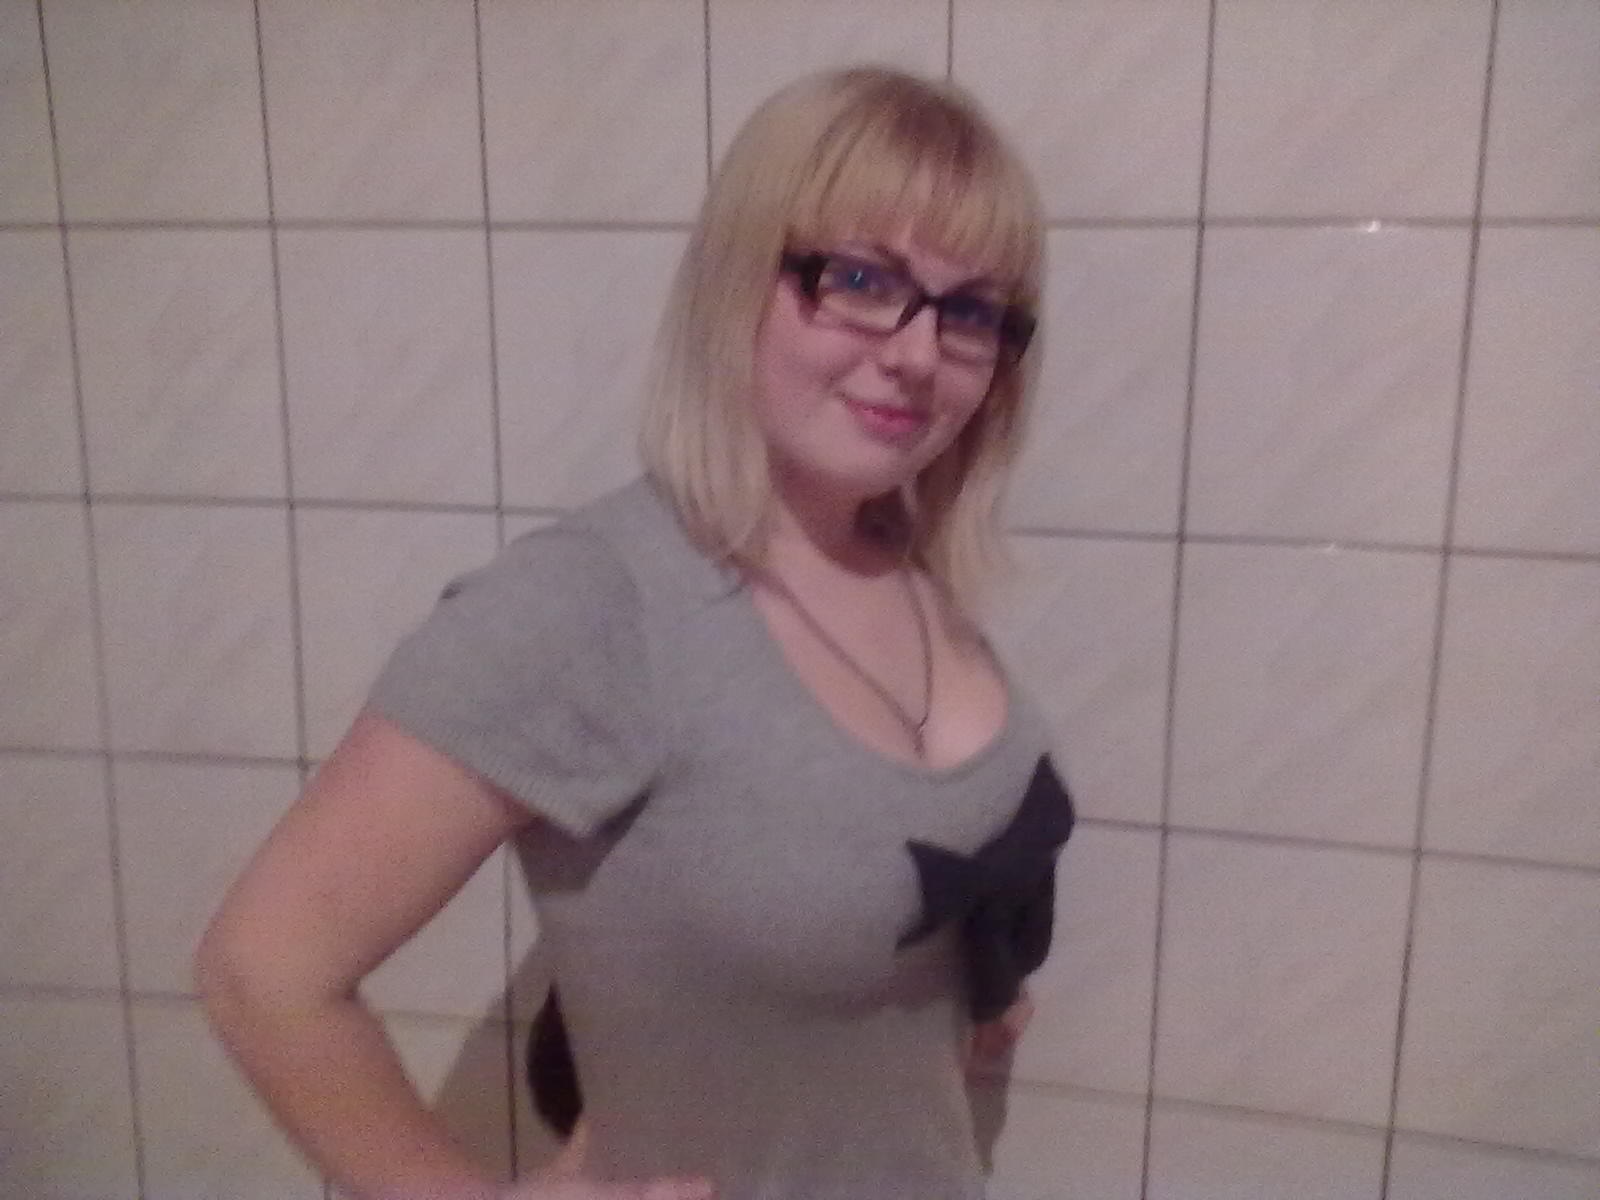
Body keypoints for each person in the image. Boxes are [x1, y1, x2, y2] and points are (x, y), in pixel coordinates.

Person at [197, 66, 1074, 1200]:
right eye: (861, 280)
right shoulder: (594, 605)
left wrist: (959, 993)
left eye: (969, 313)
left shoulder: (909, 566)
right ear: (737, 279)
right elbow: (263, 971)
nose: (916, 352)